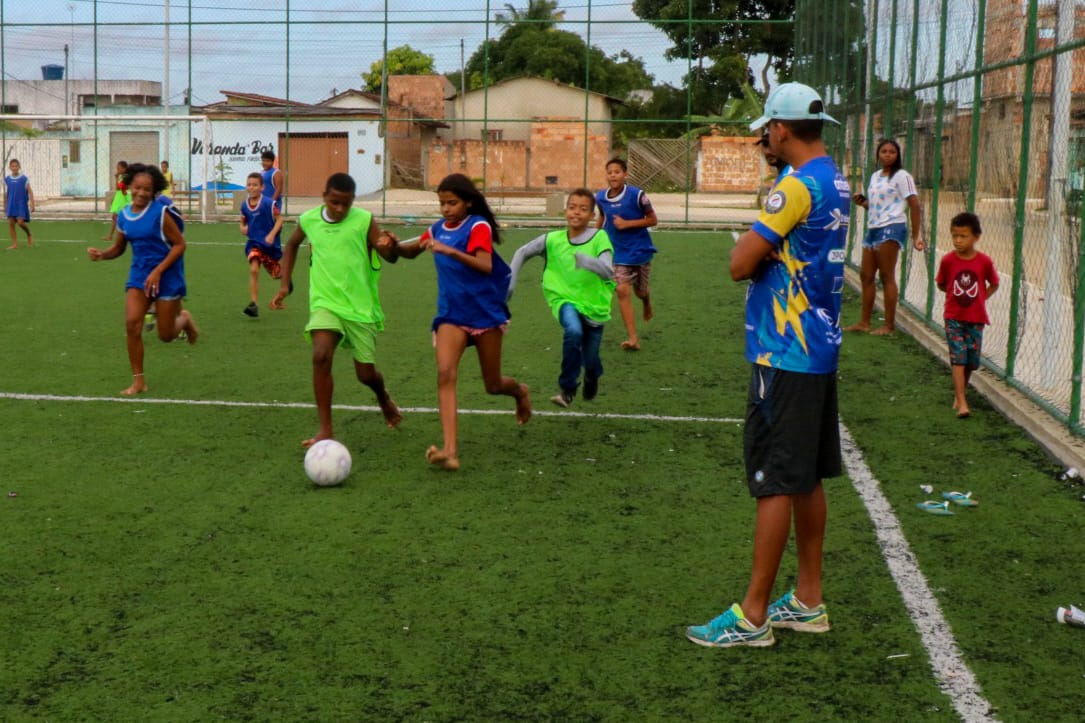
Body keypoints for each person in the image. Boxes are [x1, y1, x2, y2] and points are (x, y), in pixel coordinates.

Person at [686, 83, 849, 648]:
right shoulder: (836, 178)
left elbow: (739, 263)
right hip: (818, 348)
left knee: (776, 478)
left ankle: (753, 614)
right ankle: (807, 599)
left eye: (768, 129)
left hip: (784, 351)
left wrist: (754, 252)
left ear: (780, 129)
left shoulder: (795, 187)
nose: (765, 137)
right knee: (805, 476)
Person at [395, 173, 532, 471]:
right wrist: (391, 245)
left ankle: (520, 392)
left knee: (493, 385)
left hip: (485, 313)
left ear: (468, 203)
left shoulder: (477, 226)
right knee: (445, 373)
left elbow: (484, 264)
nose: (445, 209)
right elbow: (410, 251)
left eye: (452, 203)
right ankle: (450, 450)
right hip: (451, 315)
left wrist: (451, 251)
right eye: (441, 203)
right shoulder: (434, 230)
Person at [270, 172, 402, 446]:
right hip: (325, 302)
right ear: (324, 197)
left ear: (353, 201)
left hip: (359, 306)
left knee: (365, 374)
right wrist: (285, 284)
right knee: (320, 355)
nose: (340, 209)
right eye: (334, 202)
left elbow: (388, 256)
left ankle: (382, 396)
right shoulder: (309, 220)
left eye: (346, 203)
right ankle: (325, 430)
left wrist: (390, 246)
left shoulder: (364, 220)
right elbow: (292, 244)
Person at [87, 162, 199, 396]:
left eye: (146, 190)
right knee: (132, 324)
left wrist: (158, 270)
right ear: (128, 187)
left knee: (166, 336)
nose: (141, 193)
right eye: (137, 188)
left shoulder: (161, 213)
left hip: (167, 275)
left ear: (154, 191)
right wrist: (102, 255)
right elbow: (119, 248)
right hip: (139, 276)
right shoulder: (125, 216)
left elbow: (180, 245)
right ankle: (139, 381)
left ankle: (184, 319)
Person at [508, 188, 615, 407]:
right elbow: (522, 252)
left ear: (592, 216)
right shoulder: (552, 240)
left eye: (583, 209)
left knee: (592, 360)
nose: (577, 213)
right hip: (563, 300)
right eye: (573, 207)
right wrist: (510, 284)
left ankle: (592, 376)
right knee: (573, 331)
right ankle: (567, 389)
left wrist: (588, 262)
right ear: (565, 211)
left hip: (595, 307)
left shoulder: (600, 237)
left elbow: (608, 271)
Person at [845, 138, 926, 335]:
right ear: (878, 155)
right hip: (873, 228)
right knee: (866, 275)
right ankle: (864, 322)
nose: (888, 155)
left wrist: (917, 236)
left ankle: (888, 325)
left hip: (892, 227)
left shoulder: (902, 176)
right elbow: (876, 205)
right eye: (884, 151)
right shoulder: (874, 176)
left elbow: (914, 204)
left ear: (898, 155)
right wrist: (863, 203)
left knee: (886, 275)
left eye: (892, 152)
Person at [935, 212, 999, 419]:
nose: (958, 241)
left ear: (976, 237)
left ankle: (960, 391)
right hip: (953, 316)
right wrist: (957, 297)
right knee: (958, 357)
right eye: (954, 236)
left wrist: (980, 298)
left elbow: (994, 283)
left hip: (976, 318)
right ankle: (961, 400)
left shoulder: (984, 262)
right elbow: (941, 283)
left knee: (971, 360)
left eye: (963, 236)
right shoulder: (948, 261)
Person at [595, 157, 658, 351]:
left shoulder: (637, 195)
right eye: (609, 172)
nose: (613, 175)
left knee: (640, 291)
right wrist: (594, 240)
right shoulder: (600, 197)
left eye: (617, 172)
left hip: (640, 250)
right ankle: (633, 339)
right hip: (617, 252)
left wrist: (627, 224)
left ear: (625, 174)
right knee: (622, 290)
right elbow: (603, 217)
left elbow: (653, 219)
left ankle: (646, 301)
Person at [239, 171, 285, 317]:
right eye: (249, 185)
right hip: (254, 243)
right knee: (254, 269)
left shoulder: (269, 204)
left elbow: (279, 220)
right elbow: (242, 223)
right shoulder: (244, 206)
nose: (251, 188)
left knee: (280, 275)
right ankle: (254, 304)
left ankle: (283, 293)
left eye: (255, 185)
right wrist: (243, 228)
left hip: (270, 246)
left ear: (262, 187)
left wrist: (271, 235)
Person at [3, 158, 34, 249]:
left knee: (20, 222)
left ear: (19, 167)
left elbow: (30, 191)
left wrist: (32, 203)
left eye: (16, 166)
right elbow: (6, 193)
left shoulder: (24, 178)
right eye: (12, 166)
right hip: (11, 204)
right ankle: (14, 244)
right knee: (11, 223)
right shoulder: (7, 179)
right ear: (10, 167)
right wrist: (5, 204)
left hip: (21, 204)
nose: (14, 167)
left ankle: (29, 233)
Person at [103, 160, 130, 241]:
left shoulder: (126, 177)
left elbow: (122, 188)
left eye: (119, 168)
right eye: (117, 168)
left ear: (124, 168)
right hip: (120, 198)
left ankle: (115, 236)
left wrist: (117, 178)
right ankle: (111, 236)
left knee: (119, 217)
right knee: (115, 216)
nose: (117, 170)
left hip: (124, 199)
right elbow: (117, 188)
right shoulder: (121, 176)